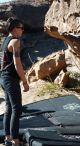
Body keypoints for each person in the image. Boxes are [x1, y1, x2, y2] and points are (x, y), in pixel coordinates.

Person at [0, 17, 29, 146]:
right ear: (14, 29)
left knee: (9, 109)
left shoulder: (5, 40)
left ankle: (7, 138)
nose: (23, 30)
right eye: (21, 28)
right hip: (10, 78)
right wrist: (25, 81)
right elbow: (17, 65)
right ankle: (15, 141)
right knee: (16, 109)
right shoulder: (16, 41)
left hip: (3, 77)